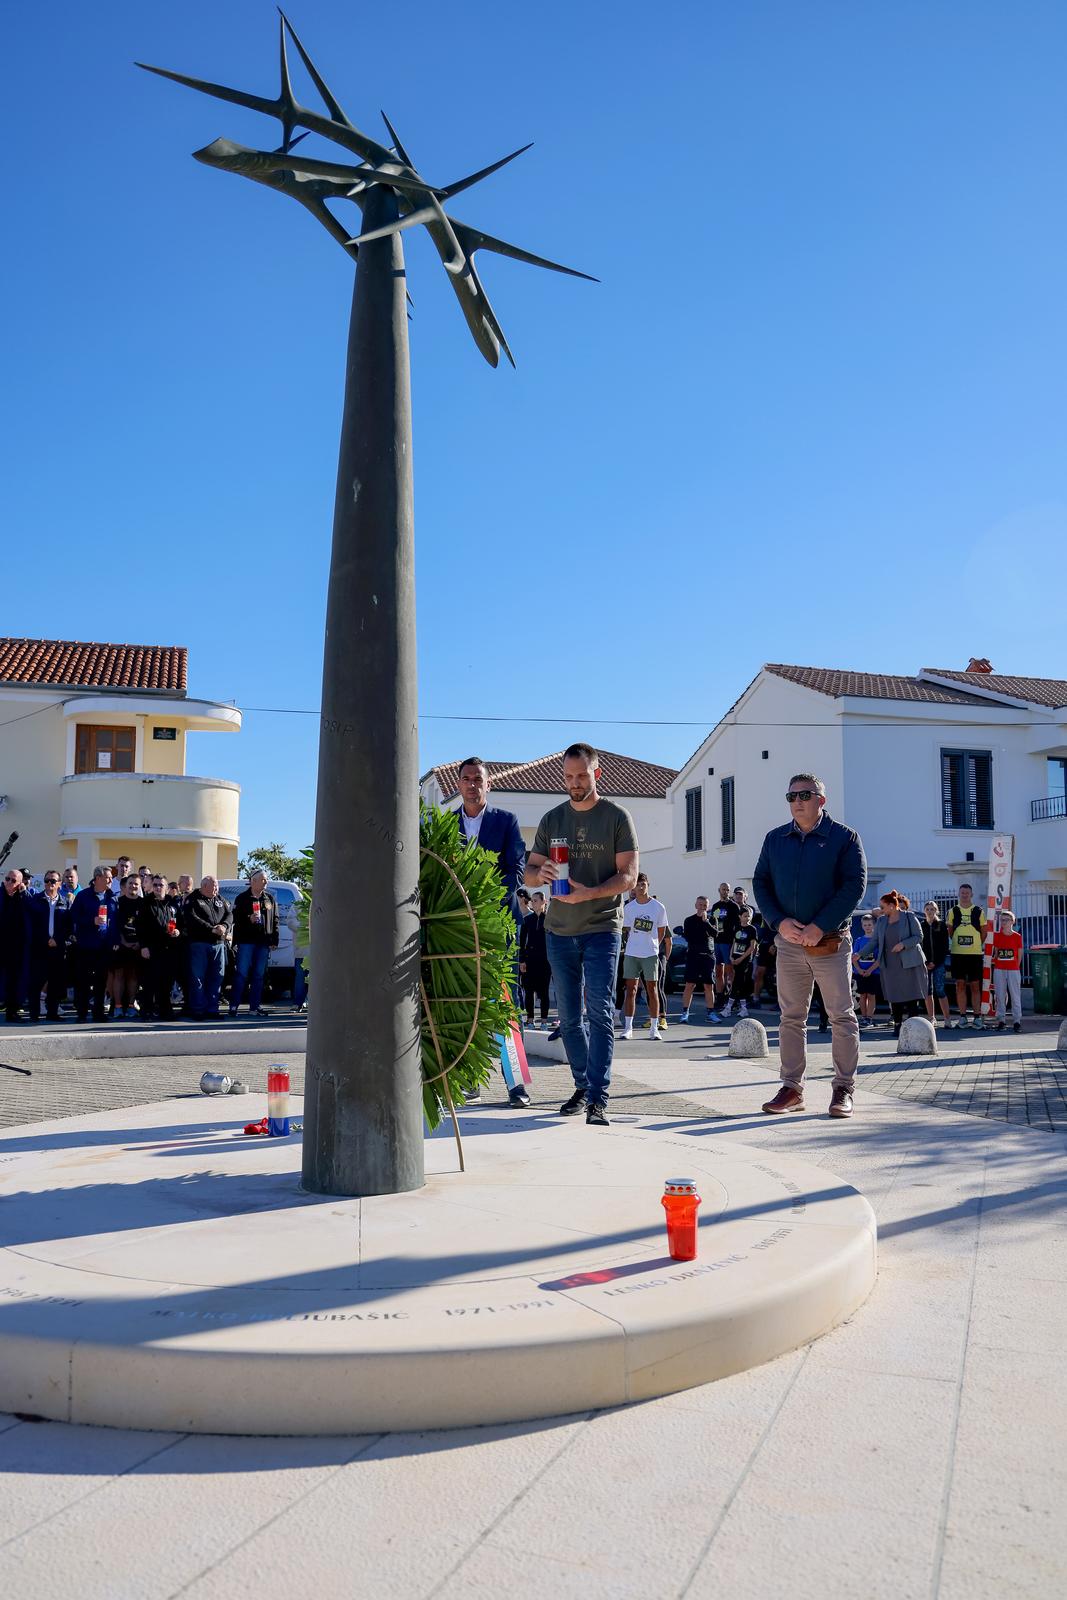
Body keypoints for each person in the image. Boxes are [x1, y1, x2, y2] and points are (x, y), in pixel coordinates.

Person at [526, 742, 638, 1126]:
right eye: (569, 777)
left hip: (601, 928)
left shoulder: (616, 817)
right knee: (570, 1019)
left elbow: (628, 877)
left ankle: (599, 1097)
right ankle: (583, 1086)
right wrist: (539, 875)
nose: (575, 783)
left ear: (597, 774)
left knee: (600, 1013)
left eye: (582, 776)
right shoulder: (552, 819)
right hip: (558, 931)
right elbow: (529, 871)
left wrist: (587, 893)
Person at [753, 773, 866, 1118]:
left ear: (821, 800)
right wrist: (778, 921)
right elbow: (761, 882)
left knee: (841, 1017)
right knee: (791, 1018)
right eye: (791, 796)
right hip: (788, 944)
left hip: (829, 943)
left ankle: (843, 1088)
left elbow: (855, 885)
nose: (797, 801)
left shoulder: (844, 838)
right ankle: (791, 1089)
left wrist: (821, 925)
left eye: (805, 794)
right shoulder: (775, 839)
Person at [454, 756, 529, 1107]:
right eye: (467, 779)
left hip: (498, 926)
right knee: (466, 1002)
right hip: (457, 931)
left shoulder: (506, 822)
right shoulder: (444, 824)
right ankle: (469, 1079)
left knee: (505, 1003)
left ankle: (516, 1084)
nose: (473, 784)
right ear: (459, 784)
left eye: (478, 779)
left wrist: (482, 902)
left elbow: (515, 871)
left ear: (489, 784)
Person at [620, 872, 669, 1040]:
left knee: (652, 989)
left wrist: (652, 944)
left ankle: (654, 1028)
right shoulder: (629, 908)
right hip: (632, 953)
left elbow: (662, 932)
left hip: (650, 954)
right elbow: (626, 931)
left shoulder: (658, 907)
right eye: (637, 885)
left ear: (648, 885)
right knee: (631, 990)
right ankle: (628, 1027)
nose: (640, 888)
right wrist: (635, 943)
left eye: (643, 884)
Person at [872, 891, 928, 1036]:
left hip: (909, 961)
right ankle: (897, 1026)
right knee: (894, 994)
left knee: (911, 994)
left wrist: (903, 944)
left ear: (891, 906)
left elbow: (918, 936)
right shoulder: (881, 921)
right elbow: (874, 941)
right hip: (890, 963)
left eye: (883, 907)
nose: (881, 910)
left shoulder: (909, 917)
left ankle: (914, 1026)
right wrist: (859, 954)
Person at [229, 870, 279, 1017]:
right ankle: (233, 1006)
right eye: (263, 879)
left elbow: (275, 920)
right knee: (241, 974)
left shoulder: (269, 898)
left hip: (263, 943)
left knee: (258, 976)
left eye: (266, 879)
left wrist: (274, 939)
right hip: (246, 942)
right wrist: (248, 918)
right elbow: (235, 919)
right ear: (253, 881)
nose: (266, 882)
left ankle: (254, 1008)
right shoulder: (242, 898)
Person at [71, 866, 117, 1023]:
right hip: (85, 946)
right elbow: (74, 917)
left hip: (104, 947)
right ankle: (82, 1013)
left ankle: (98, 1012)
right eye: (108, 877)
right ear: (97, 878)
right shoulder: (83, 896)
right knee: (83, 981)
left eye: (111, 877)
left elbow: (115, 922)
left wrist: (114, 941)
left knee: (101, 982)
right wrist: (92, 921)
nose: (111, 880)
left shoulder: (112, 897)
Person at [184, 876, 233, 1020]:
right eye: (214, 886)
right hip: (199, 944)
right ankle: (198, 1010)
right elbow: (192, 918)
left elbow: (229, 914)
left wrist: (224, 926)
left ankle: (212, 1009)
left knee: (216, 978)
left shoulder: (220, 899)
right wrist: (211, 929)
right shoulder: (193, 899)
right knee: (198, 978)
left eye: (217, 886)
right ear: (204, 886)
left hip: (218, 945)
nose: (216, 889)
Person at [28, 871, 71, 1022]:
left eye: (53, 881)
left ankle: (52, 1012)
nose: (49, 884)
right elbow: (30, 926)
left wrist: (58, 940)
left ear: (60, 883)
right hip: (39, 948)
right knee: (36, 982)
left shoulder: (65, 902)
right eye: (47, 881)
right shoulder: (35, 900)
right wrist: (44, 940)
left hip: (57, 949)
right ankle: (34, 1014)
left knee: (55, 982)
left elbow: (69, 928)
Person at [139, 874, 182, 1020]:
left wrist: (178, 931)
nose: (158, 887)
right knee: (150, 982)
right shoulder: (146, 903)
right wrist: (143, 946)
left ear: (167, 887)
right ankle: (147, 1011)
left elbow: (180, 922)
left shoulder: (172, 903)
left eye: (161, 885)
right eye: (155, 885)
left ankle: (165, 1010)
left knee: (167, 982)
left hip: (170, 948)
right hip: (152, 948)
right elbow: (140, 927)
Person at [948, 884, 987, 1029]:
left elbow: (984, 932)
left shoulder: (978, 911)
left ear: (971, 894)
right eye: (962, 892)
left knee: (976, 986)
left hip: (975, 955)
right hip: (958, 954)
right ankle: (963, 1017)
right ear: (959, 894)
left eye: (967, 893)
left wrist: (976, 944)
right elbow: (950, 932)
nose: (964, 895)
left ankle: (977, 1017)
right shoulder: (953, 911)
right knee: (960, 985)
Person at [110, 875, 147, 1018]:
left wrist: (140, 943)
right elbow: (114, 925)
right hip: (121, 945)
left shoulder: (144, 903)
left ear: (140, 886)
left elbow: (146, 927)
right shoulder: (118, 903)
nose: (133, 886)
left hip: (137, 946)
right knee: (118, 975)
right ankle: (118, 1007)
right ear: (125, 886)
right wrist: (122, 942)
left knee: (133, 976)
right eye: (131, 883)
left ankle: (131, 1006)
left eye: (136, 884)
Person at [680, 896, 721, 1023]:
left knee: (708, 986)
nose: (703, 907)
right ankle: (685, 1012)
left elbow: (715, 934)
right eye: (701, 905)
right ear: (696, 905)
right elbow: (688, 936)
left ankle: (710, 1013)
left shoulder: (712, 919)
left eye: (705, 905)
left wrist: (706, 922)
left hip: (708, 955)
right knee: (689, 985)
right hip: (693, 955)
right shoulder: (689, 920)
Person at [1, 868, 31, 1023]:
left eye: (13, 880)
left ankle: (12, 1011)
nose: (8, 883)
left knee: (14, 980)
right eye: (7, 879)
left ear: (20, 884)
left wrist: (23, 893)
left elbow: (31, 911)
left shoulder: (23, 897)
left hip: (16, 947)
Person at [519, 890, 551, 1027]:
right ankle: (530, 1019)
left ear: (544, 902)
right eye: (532, 900)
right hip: (529, 960)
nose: (533, 903)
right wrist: (522, 960)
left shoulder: (549, 920)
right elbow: (521, 942)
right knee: (529, 991)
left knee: (544, 991)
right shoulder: (527, 920)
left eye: (536, 900)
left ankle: (544, 1020)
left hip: (545, 961)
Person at [708, 883, 740, 1015]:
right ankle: (720, 997)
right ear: (719, 890)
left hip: (728, 942)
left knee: (730, 972)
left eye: (727, 890)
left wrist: (734, 943)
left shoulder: (733, 906)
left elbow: (738, 926)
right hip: (717, 942)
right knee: (718, 971)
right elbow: (712, 923)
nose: (725, 892)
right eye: (723, 889)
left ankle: (731, 998)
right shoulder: (715, 906)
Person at [990, 909, 1023, 1032]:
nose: (1003, 922)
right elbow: (997, 952)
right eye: (1002, 920)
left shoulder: (1017, 936)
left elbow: (1019, 954)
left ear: (1012, 921)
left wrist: (1015, 966)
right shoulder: (997, 935)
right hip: (999, 969)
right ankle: (1001, 1020)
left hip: (1013, 969)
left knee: (1015, 995)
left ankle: (1017, 1021)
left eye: (1006, 920)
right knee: (1000, 995)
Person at [921, 902, 952, 1028]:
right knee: (928, 991)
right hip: (925, 964)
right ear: (924, 911)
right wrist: (926, 962)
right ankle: (931, 1018)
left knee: (940, 989)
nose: (930, 911)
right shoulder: (922, 925)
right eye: (927, 909)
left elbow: (945, 946)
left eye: (932, 909)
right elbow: (920, 946)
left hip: (938, 963)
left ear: (936, 911)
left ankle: (947, 1018)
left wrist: (936, 962)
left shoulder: (941, 925)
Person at [723, 908, 758, 1017]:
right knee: (739, 984)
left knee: (737, 983)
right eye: (745, 916)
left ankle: (728, 1008)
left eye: (748, 916)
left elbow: (752, 947)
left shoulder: (752, 929)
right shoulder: (737, 928)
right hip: (735, 959)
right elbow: (734, 942)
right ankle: (743, 1009)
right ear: (740, 916)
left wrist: (741, 959)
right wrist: (731, 956)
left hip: (745, 961)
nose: (747, 918)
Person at [852, 912, 882, 1029]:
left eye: (869, 925)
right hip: (860, 973)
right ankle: (863, 1017)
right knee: (862, 996)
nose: (867, 927)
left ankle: (869, 1017)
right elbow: (854, 957)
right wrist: (859, 969)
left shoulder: (877, 941)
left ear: (874, 925)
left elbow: (879, 959)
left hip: (873, 973)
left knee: (871, 995)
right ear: (862, 926)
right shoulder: (859, 940)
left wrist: (870, 970)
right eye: (865, 925)